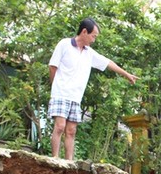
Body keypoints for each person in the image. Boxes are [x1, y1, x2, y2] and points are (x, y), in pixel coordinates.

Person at [48, 18, 138, 160]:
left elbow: (108, 62)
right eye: (93, 36)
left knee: (71, 131)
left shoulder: (89, 53)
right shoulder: (64, 44)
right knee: (60, 126)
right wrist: (55, 87)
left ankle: (69, 161)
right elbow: (53, 66)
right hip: (60, 93)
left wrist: (126, 74)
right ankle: (54, 158)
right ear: (84, 31)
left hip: (75, 97)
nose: (94, 40)